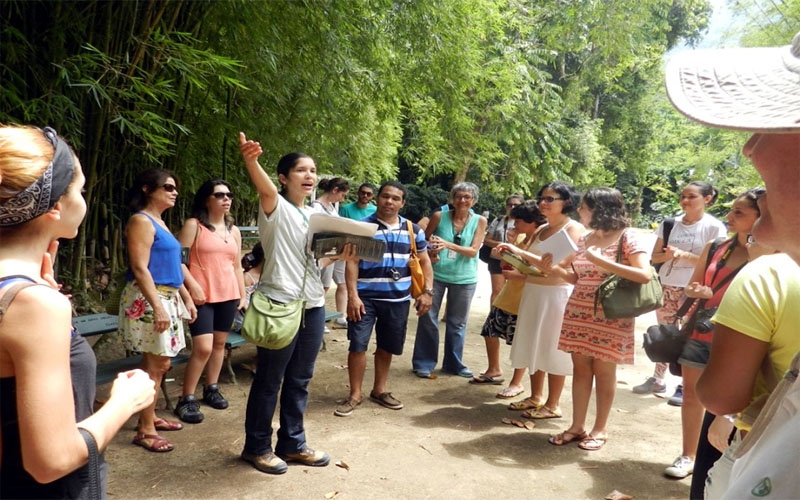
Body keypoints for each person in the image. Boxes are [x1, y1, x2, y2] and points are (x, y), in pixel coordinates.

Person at [664, 31, 800, 498]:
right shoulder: (732, 253)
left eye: (780, 123)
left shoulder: (767, 276)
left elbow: (721, 394)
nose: (750, 147)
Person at [0, 125, 155, 498]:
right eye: (80, 191)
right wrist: (124, 403)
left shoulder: (21, 296)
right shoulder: (31, 304)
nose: (84, 200)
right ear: (55, 207)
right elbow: (49, 461)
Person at [238, 132, 355, 475]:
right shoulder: (276, 208)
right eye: (301, 170)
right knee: (269, 380)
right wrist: (251, 161)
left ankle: (292, 444)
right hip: (281, 303)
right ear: (284, 178)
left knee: (300, 379)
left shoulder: (316, 216)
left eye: (313, 170)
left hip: (313, 304)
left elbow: (312, 264)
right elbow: (264, 190)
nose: (309, 176)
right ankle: (257, 447)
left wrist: (336, 254)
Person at [542, 188, 654, 450]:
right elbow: (576, 278)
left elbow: (644, 274)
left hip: (611, 315)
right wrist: (553, 268)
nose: (579, 211)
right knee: (581, 371)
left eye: (584, 207)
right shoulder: (586, 239)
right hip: (579, 313)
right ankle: (577, 426)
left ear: (600, 209)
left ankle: (600, 429)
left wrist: (601, 261)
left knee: (604, 373)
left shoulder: (629, 236)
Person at [662, 189, 759, 481]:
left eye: (739, 212)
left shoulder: (770, 253)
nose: (729, 216)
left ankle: (728, 464)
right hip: (702, 330)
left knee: (731, 402)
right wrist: (696, 291)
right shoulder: (716, 246)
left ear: (761, 217)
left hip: (739, 338)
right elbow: (693, 286)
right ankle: (688, 455)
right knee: (693, 396)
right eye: (731, 210)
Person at [333, 181, 434, 417]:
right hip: (365, 298)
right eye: (385, 196)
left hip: (397, 299)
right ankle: (355, 394)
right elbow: (352, 262)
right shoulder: (362, 228)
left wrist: (427, 292)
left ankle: (379, 390)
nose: (389, 202)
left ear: (402, 203)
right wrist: (353, 297)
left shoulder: (413, 230)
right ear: (377, 198)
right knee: (358, 345)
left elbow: (425, 261)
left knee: (387, 346)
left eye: (395, 198)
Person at [118, 168, 198, 452]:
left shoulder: (160, 222)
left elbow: (173, 267)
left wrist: (186, 296)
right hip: (150, 299)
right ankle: (145, 429)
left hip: (166, 297)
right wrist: (158, 307)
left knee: (160, 364)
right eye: (167, 187)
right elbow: (140, 267)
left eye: (175, 188)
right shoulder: (141, 221)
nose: (174, 192)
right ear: (146, 189)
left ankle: (149, 416)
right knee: (156, 365)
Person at [495, 181, 585, 420]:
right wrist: (509, 255)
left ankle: (553, 404)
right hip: (533, 292)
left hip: (555, 296)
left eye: (550, 199)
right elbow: (531, 263)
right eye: (542, 198)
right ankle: (536, 396)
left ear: (566, 202)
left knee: (552, 348)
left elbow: (558, 265)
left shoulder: (573, 229)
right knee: (533, 345)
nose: (543, 203)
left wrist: (519, 253)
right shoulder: (541, 229)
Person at [633, 181, 727, 406]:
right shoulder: (669, 224)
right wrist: (666, 256)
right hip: (666, 285)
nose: (685, 201)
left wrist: (683, 255)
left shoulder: (715, 228)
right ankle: (658, 379)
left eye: (691, 196)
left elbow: (716, 263)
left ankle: (685, 385)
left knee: (688, 335)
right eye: (683, 196)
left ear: (707, 199)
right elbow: (653, 258)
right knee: (666, 333)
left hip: (694, 290)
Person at [174, 179, 246, 424]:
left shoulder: (233, 230)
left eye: (229, 194)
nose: (226, 199)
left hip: (228, 293)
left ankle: (211, 387)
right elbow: (180, 261)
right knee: (202, 347)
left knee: (219, 344)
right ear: (207, 199)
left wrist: (243, 294)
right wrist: (192, 285)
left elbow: (236, 265)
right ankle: (187, 397)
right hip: (201, 295)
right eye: (219, 195)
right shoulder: (194, 226)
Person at [412, 182, 487, 378]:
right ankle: (424, 363)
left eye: (467, 197)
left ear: (474, 201)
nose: (462, 200)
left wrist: (447, 245)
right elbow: (423, 242)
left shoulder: (480, 221)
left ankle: (453, 364)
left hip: (465, 278)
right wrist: (431, 251)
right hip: (436, 276)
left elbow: (472, 251)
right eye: (459, 196)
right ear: (452, 199)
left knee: (458, 323)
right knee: (427, 318)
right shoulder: (439, 216)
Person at [470, 201, 546, 389]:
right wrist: (504, 253)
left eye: (518, 221)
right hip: (508, 295)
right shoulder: (521, 239)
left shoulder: (542, 242)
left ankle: (516, 382)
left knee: (521, 342)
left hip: (526, 298)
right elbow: (513, 264)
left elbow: (544, 272)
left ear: (531, 222)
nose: (515, 225)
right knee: (490, 330)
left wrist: (520, 275)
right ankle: (494, 370)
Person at [482, 194, 524, 306]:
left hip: (517, 261)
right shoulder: (499, 220)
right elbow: (487, 240)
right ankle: (493, 318)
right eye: (510, 204)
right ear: (506, 206)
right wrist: (504, 245)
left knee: (513, 292)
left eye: (516, 205)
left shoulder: (527, 222)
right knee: (497, 290)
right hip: (497, 259)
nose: (513, 207)